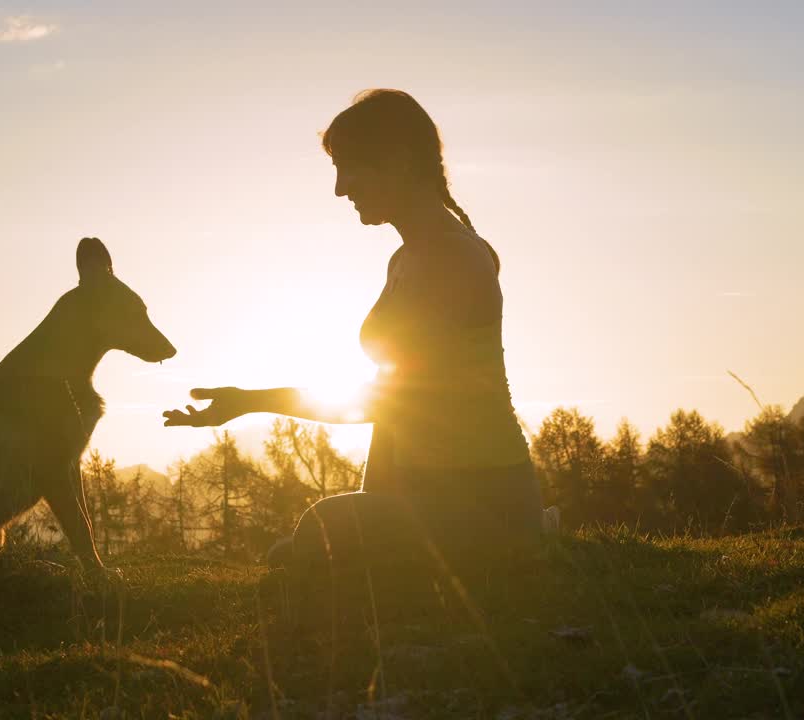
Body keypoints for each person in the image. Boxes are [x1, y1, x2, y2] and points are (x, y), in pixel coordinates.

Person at [163, 89, 542, 576]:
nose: (341, 189)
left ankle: (520, 538)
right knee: (316, 537)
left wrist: (251, 401)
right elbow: (399, 410)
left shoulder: (452, 257)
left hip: (485, 504)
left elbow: (391, 402)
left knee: (319, 529)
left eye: (350, 168)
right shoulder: (407, 258)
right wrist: (376, 500)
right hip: (433, 494)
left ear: (400, 162)